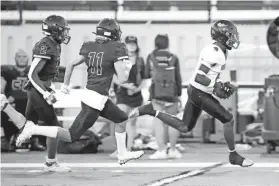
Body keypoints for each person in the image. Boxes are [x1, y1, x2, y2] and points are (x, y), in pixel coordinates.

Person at [16, 18, 144, 165]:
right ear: (113, 33)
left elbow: (71, 64)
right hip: (95, 101)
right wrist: (128, 66)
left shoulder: (89, 46)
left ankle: (122, 154)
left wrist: (65, 84)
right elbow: (122, 79)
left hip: (95, 96)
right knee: (70, 136)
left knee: (122, 119)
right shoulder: (116, 47)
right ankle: (34, 129)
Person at [129, 20, 254, 167]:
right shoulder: (214, 53)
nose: (233, 38)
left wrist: (218, 83)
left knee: (184, 127)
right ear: (221, 36)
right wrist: (215, 86)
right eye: (230, 35)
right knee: (228, 119)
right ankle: (233, 156)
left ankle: (151, 111)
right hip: (199, 92)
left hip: (197, 90)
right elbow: (199, 77)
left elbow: (210, 75)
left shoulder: (220, 50)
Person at [17, 15, 71, 172]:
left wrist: (52, 86)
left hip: (40, 89)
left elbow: (45, 74)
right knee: (53, 126)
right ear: (54, 30)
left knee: (26, 123)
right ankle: (50, 163)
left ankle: (5, 107)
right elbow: (32, 74)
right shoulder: (45, 45)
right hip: (37, 91)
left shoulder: (54, 44)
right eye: (62, 30)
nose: (65, 34)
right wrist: (45, 93)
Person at [145, 34, 183, 160]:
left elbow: (145, 74)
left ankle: (161, 150)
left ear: (156, 44)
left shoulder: (151, 57)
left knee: (158, 121)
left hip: (157, 93)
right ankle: (172, 149)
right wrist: (179, 95)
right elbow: (178, 77)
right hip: (172, 93)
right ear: (167, 44)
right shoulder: (173, 57)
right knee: (173, 121)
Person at [1, 49, 46, 152]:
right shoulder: (7, 72)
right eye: (19, 56)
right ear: (15, 58)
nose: (21, 59)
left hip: (29, 101)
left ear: (28, 59)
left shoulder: (33, 71)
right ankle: (4, 140)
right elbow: (1, 88)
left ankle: (34, 139)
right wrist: (5, 100)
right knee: (3, 108)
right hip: (12, 102)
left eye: (24, 56)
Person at [110, 35, 147, 157]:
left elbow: (145, 79)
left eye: (133, 44)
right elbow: (113, 77)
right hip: (122, 94)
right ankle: (119, 149)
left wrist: (137, 89)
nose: (131, 46)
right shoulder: (119, 59)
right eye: (129, 44)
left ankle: (128, 149)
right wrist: (127, 86)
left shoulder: (140, 61)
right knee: (120, 121)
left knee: (131, 123)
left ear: (136, 46)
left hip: (136, 96)